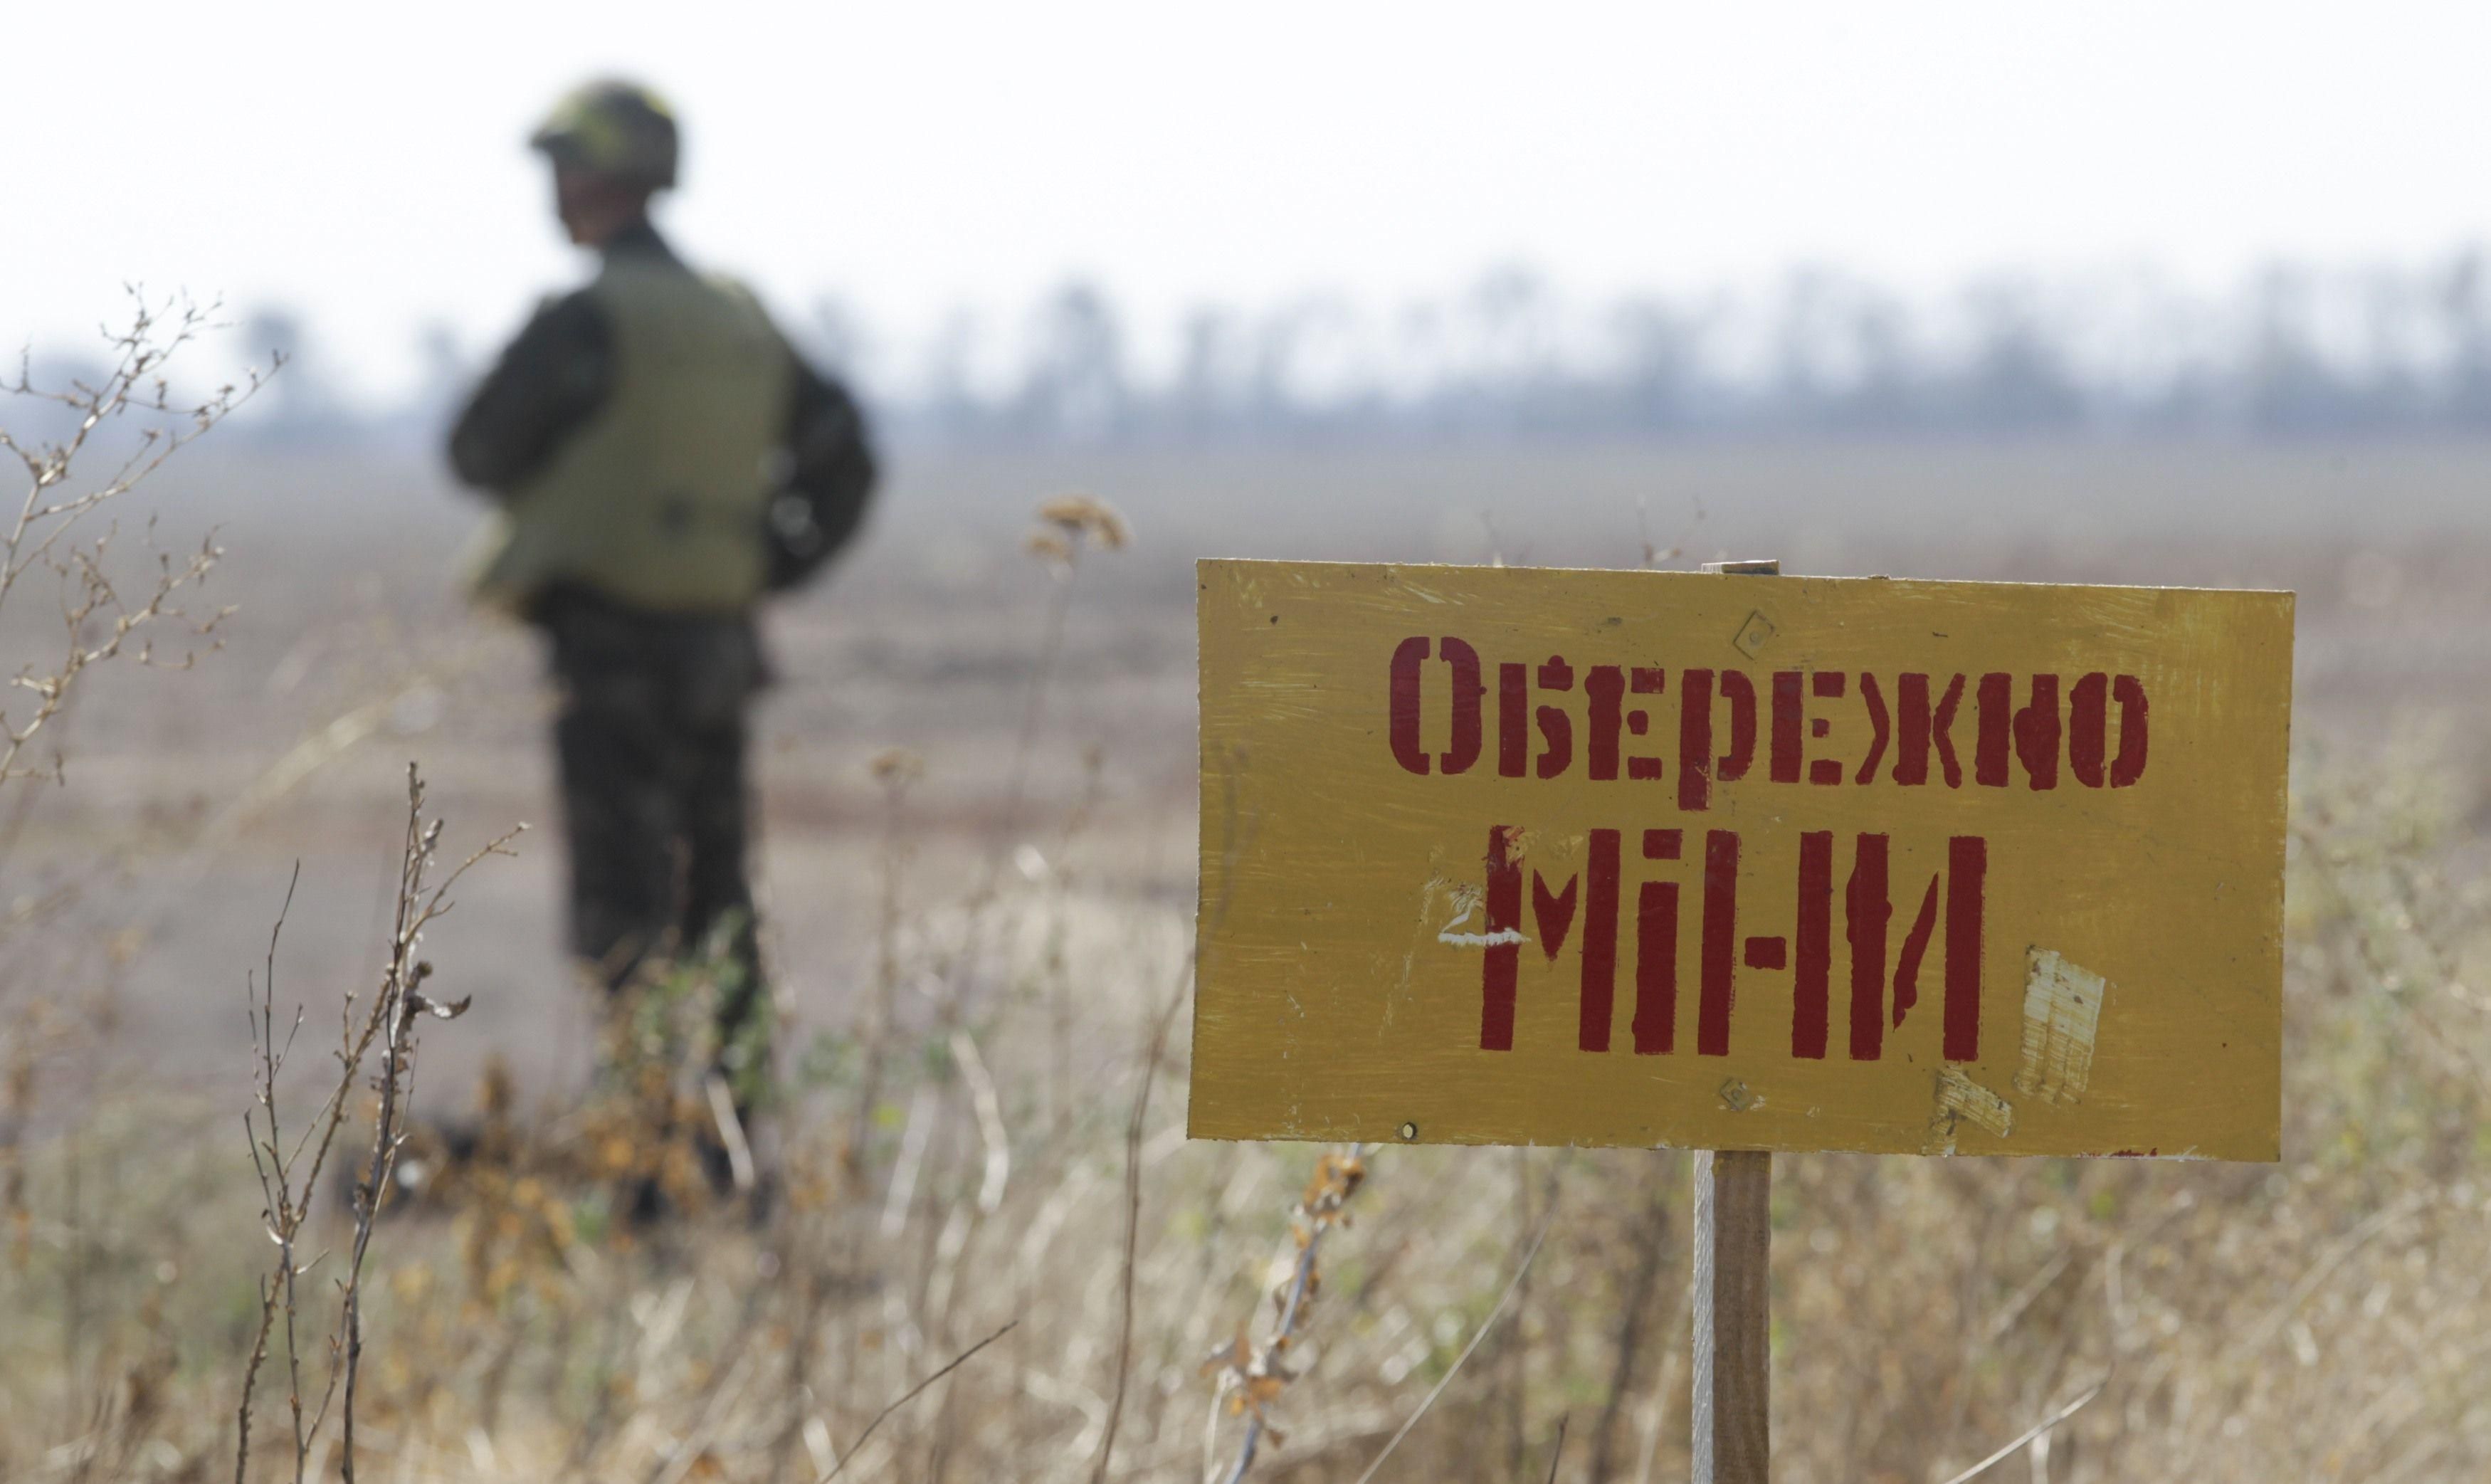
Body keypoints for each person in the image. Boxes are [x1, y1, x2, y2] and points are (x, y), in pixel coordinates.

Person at [447, 79, 876, 1167]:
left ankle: (641, 1169)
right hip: (720, 647)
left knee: (626, 917)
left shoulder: (589, 319)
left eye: (563, 168)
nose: (554, 189)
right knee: (722, 903)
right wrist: (760, 563)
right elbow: (847, 456)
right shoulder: (739, 315)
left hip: (610, 651)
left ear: (597, 177)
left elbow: (478, 451)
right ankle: (735, 1155)